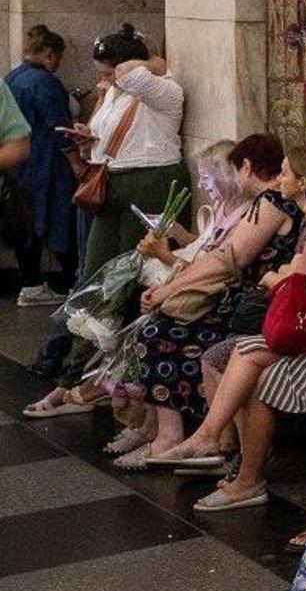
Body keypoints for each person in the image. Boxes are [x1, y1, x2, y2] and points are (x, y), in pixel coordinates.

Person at [147, 203, 306, 508]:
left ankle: (238, 468)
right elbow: (298, 294)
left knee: (262, 375)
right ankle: (223, 452)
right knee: (245, 351)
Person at [24, 24, 188, 416]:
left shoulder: (162, 89)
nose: (101, 79)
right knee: (95, 278)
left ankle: (96, 382)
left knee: (122, 283)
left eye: (106, 70)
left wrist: (141, 57)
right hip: (112, 182)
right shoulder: (116, 89)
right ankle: (76, 374)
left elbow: (134, 70)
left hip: (150, 182)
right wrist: (88, 137)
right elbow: (108, 125)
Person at [115, 134, 299, 467]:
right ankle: (169, 433)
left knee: (161, 334)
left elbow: (230, 259)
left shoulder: (272, 201)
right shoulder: (269, 202)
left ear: (246, 166)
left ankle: (182, 438)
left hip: (258, 308)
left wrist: (170, 290)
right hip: (254, 303)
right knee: (159, 325)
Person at [102, 140, 253, 457]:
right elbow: (206, 252)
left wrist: (165, 256)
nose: (201, 185)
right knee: (146, 324)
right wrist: (181, 237)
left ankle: (169, 433)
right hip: (203, 299)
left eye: (207, 179)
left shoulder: (245, 217)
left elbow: (215, 272)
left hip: (221, 306)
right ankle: (152, 424)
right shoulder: (225, 209)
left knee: (156, 334)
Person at [7, 25, 73, 306]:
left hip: (18, 163)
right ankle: (72, 282)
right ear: (49, 54)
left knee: (26, 225)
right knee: (59, 220)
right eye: (58, 57)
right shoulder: (45, 83)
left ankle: (30, 282)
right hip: (47, 163)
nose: (58, 64)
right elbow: (60, 127)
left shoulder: (13, 77)